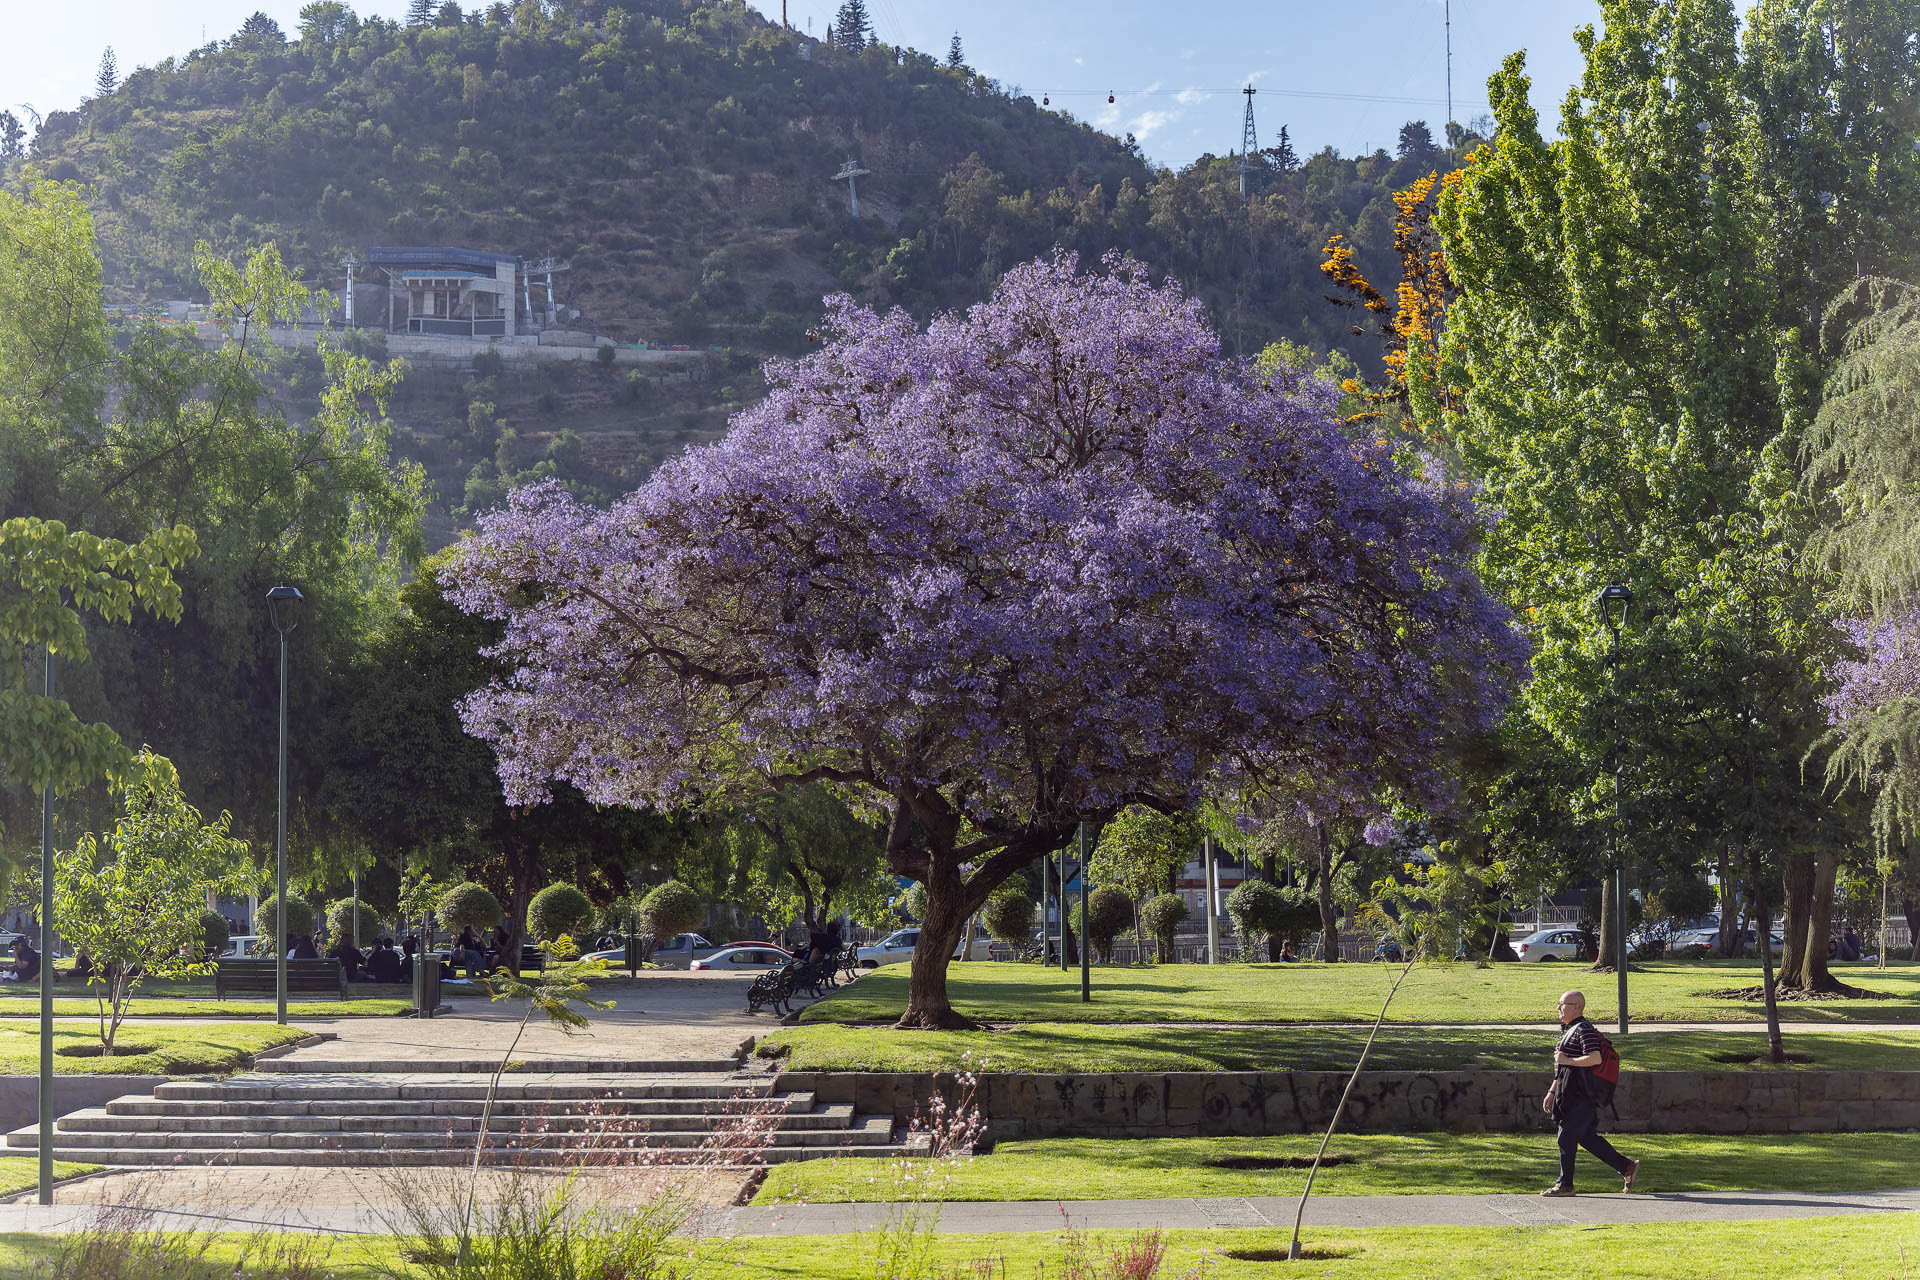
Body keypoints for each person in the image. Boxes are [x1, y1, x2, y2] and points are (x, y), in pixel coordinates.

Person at [1541, 990, 1637, 1196]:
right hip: (1567, 1094)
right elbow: (1561, 1069)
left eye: (1563, 1004)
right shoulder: (1568, 1030)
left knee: (1565, 1136)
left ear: (1577, 1007)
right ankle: (1627, 1167)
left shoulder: (1584, 1030)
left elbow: (1595, 1058)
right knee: (1586, 1138)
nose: (1559, 1008)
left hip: (1583, 1095)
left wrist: (1568, 1060)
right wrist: (1551, 1091)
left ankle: (1565, 1184)